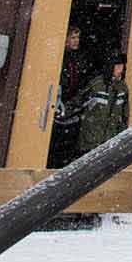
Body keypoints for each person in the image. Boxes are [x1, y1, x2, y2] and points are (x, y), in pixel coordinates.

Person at [47, 26, 88, 169]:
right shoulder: (60, 57)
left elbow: (80, 80)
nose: (76, 41)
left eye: (77, 38)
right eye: (73, 38)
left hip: (71, 105)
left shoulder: (79, 58)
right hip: (58, 104)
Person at [77, 55, 130, 155]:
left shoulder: (123, 88)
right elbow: (78, 104)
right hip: (92, 137)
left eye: (122, 66)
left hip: (111, 137)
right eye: (117, 66)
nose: (120, 69)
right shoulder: (96, 84)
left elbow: (124, 115)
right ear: (110, 67)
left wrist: (122, 135)